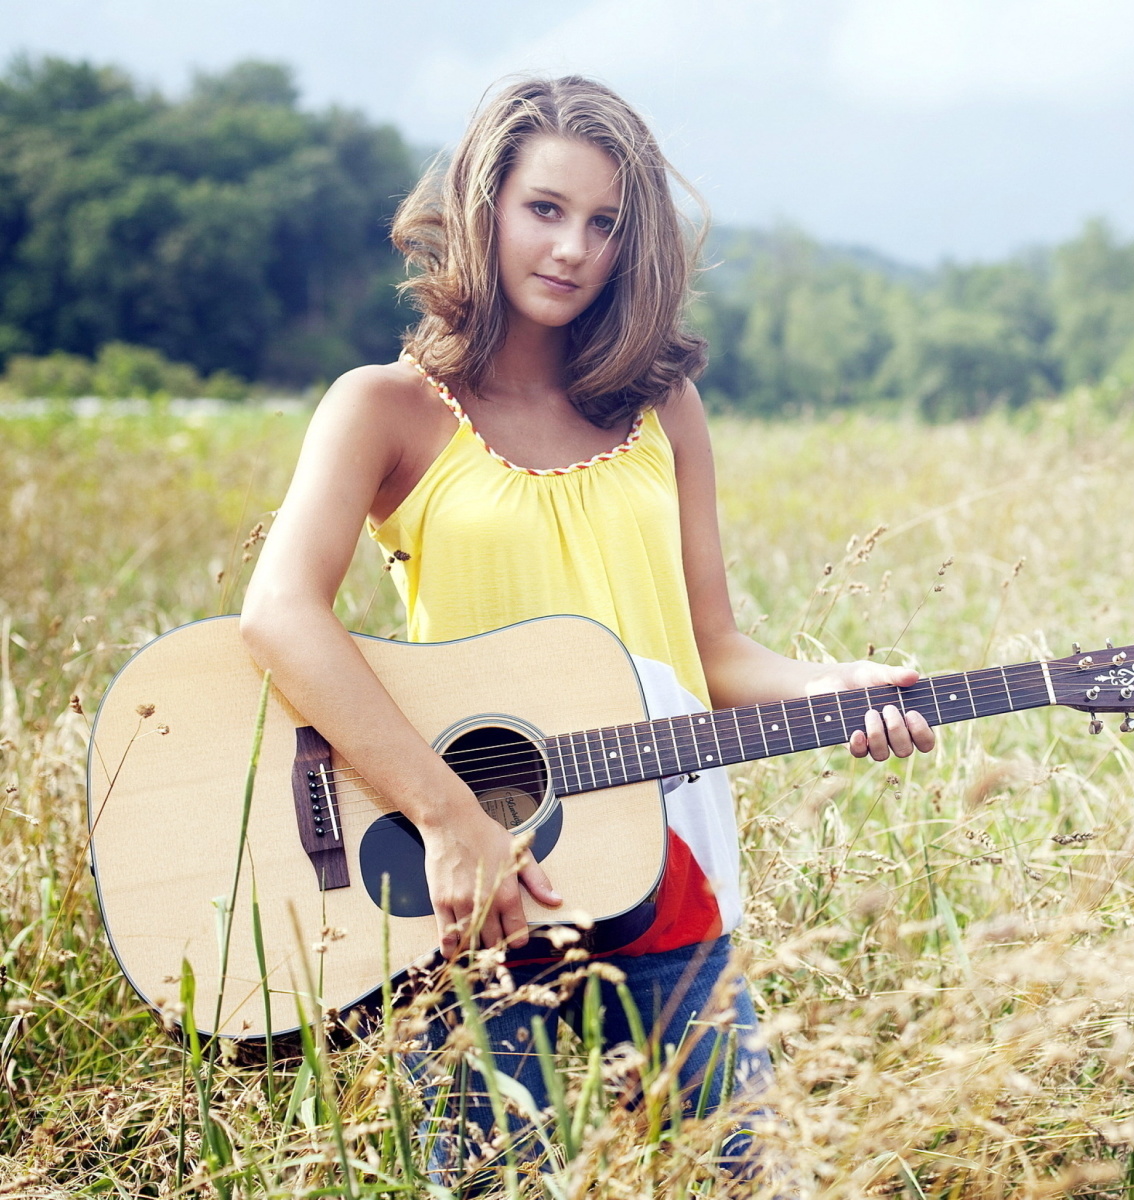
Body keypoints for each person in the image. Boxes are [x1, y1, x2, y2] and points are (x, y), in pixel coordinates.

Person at [238, 75, 935, 1184]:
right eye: (545, 209)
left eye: (604, 223)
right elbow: (277, 616)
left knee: (736, 1170)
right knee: (496, 1180)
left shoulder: (662, 408)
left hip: (662, 859)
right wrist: (450, 819)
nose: (571, 248)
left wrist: (838, 686)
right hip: (468, 884)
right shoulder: (384, 407)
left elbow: (712, 652)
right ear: (484, 206)